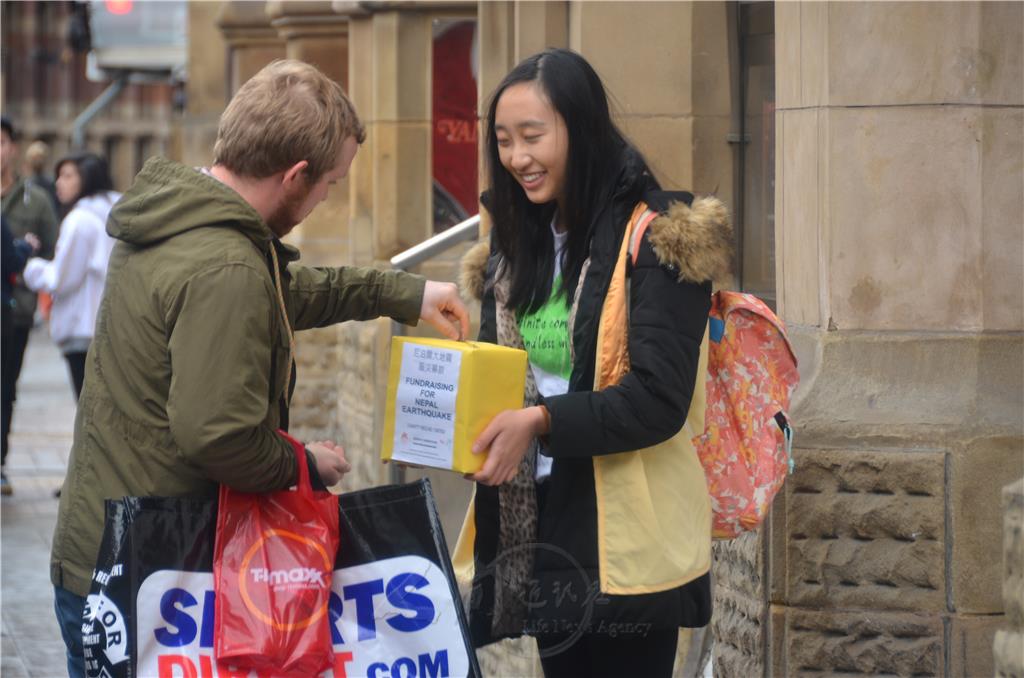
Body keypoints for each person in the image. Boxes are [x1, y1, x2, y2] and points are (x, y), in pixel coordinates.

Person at [50, 59, 469, 678]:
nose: (326, 198)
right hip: (150, 574)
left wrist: (404, 293)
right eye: (329, 183)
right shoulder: (227, 267)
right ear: (294, 175)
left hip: (108, 550)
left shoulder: (186, 223)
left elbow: (287, 293)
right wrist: (305, 465)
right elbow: (217, 435)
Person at [454, 48, 732, 677]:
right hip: (542, 515)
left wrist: (539, 422)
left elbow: (657, 400)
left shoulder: (661, 237)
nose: (517, 157)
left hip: (629, 533)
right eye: (503, 140)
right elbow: (502, 375)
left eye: (533, 136)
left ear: (581, 129)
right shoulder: (516, 243)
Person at [23, 152, 119, 399]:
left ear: (87, 179)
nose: (59, 182)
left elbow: (61, 278)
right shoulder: (116, 214)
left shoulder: (79, 220)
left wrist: (30, 267)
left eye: (67, 176)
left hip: (81, 326)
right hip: (111, 327)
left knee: (88, 410)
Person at [0, 116, 60, 496]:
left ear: (13, 147)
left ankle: (0, 461)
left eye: (1, 142)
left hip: (14, 312)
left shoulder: (33, 199)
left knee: (5, 387)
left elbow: (54, 252)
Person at [24, 139, 59, 212]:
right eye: (35, 158)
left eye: (40, 158)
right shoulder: (26, 184)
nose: (38, 161)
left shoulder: (52, 183)